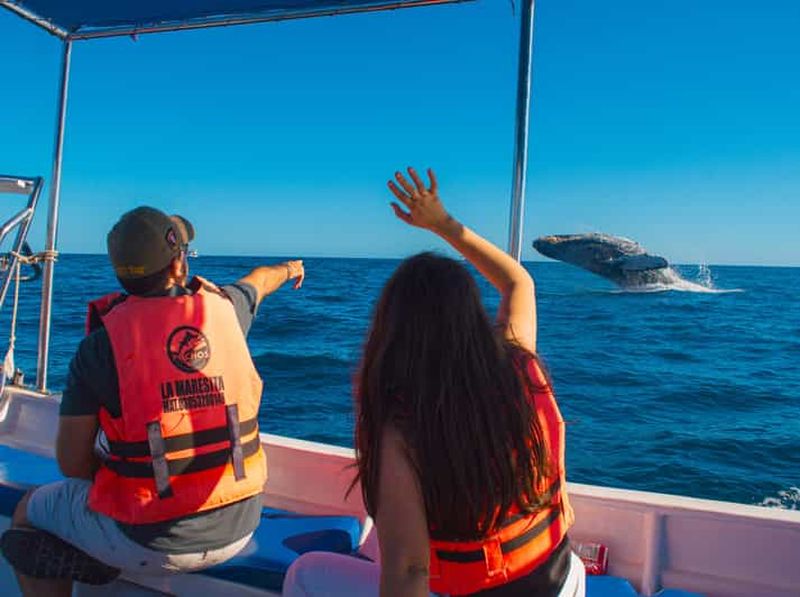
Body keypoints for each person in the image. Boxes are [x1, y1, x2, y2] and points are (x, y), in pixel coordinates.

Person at [283, 168, 584, 597]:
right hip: (560, 579)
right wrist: (442, 223)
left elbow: (408, 571)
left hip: (476, 591)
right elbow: (519, 282)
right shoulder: (522, 363)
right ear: (472, 317)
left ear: (392, 331)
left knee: (306, 573)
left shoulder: (402, 428)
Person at [0, 206, 305, 596]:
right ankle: (103, 547)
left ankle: (98, 550)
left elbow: (73, 464)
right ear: (179, 265)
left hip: (146, 540)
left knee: (27, 513)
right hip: (243, 523)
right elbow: (260, 280)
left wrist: (127, 481)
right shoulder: (226, 310)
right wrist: (292, 268)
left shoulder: (99, 348)